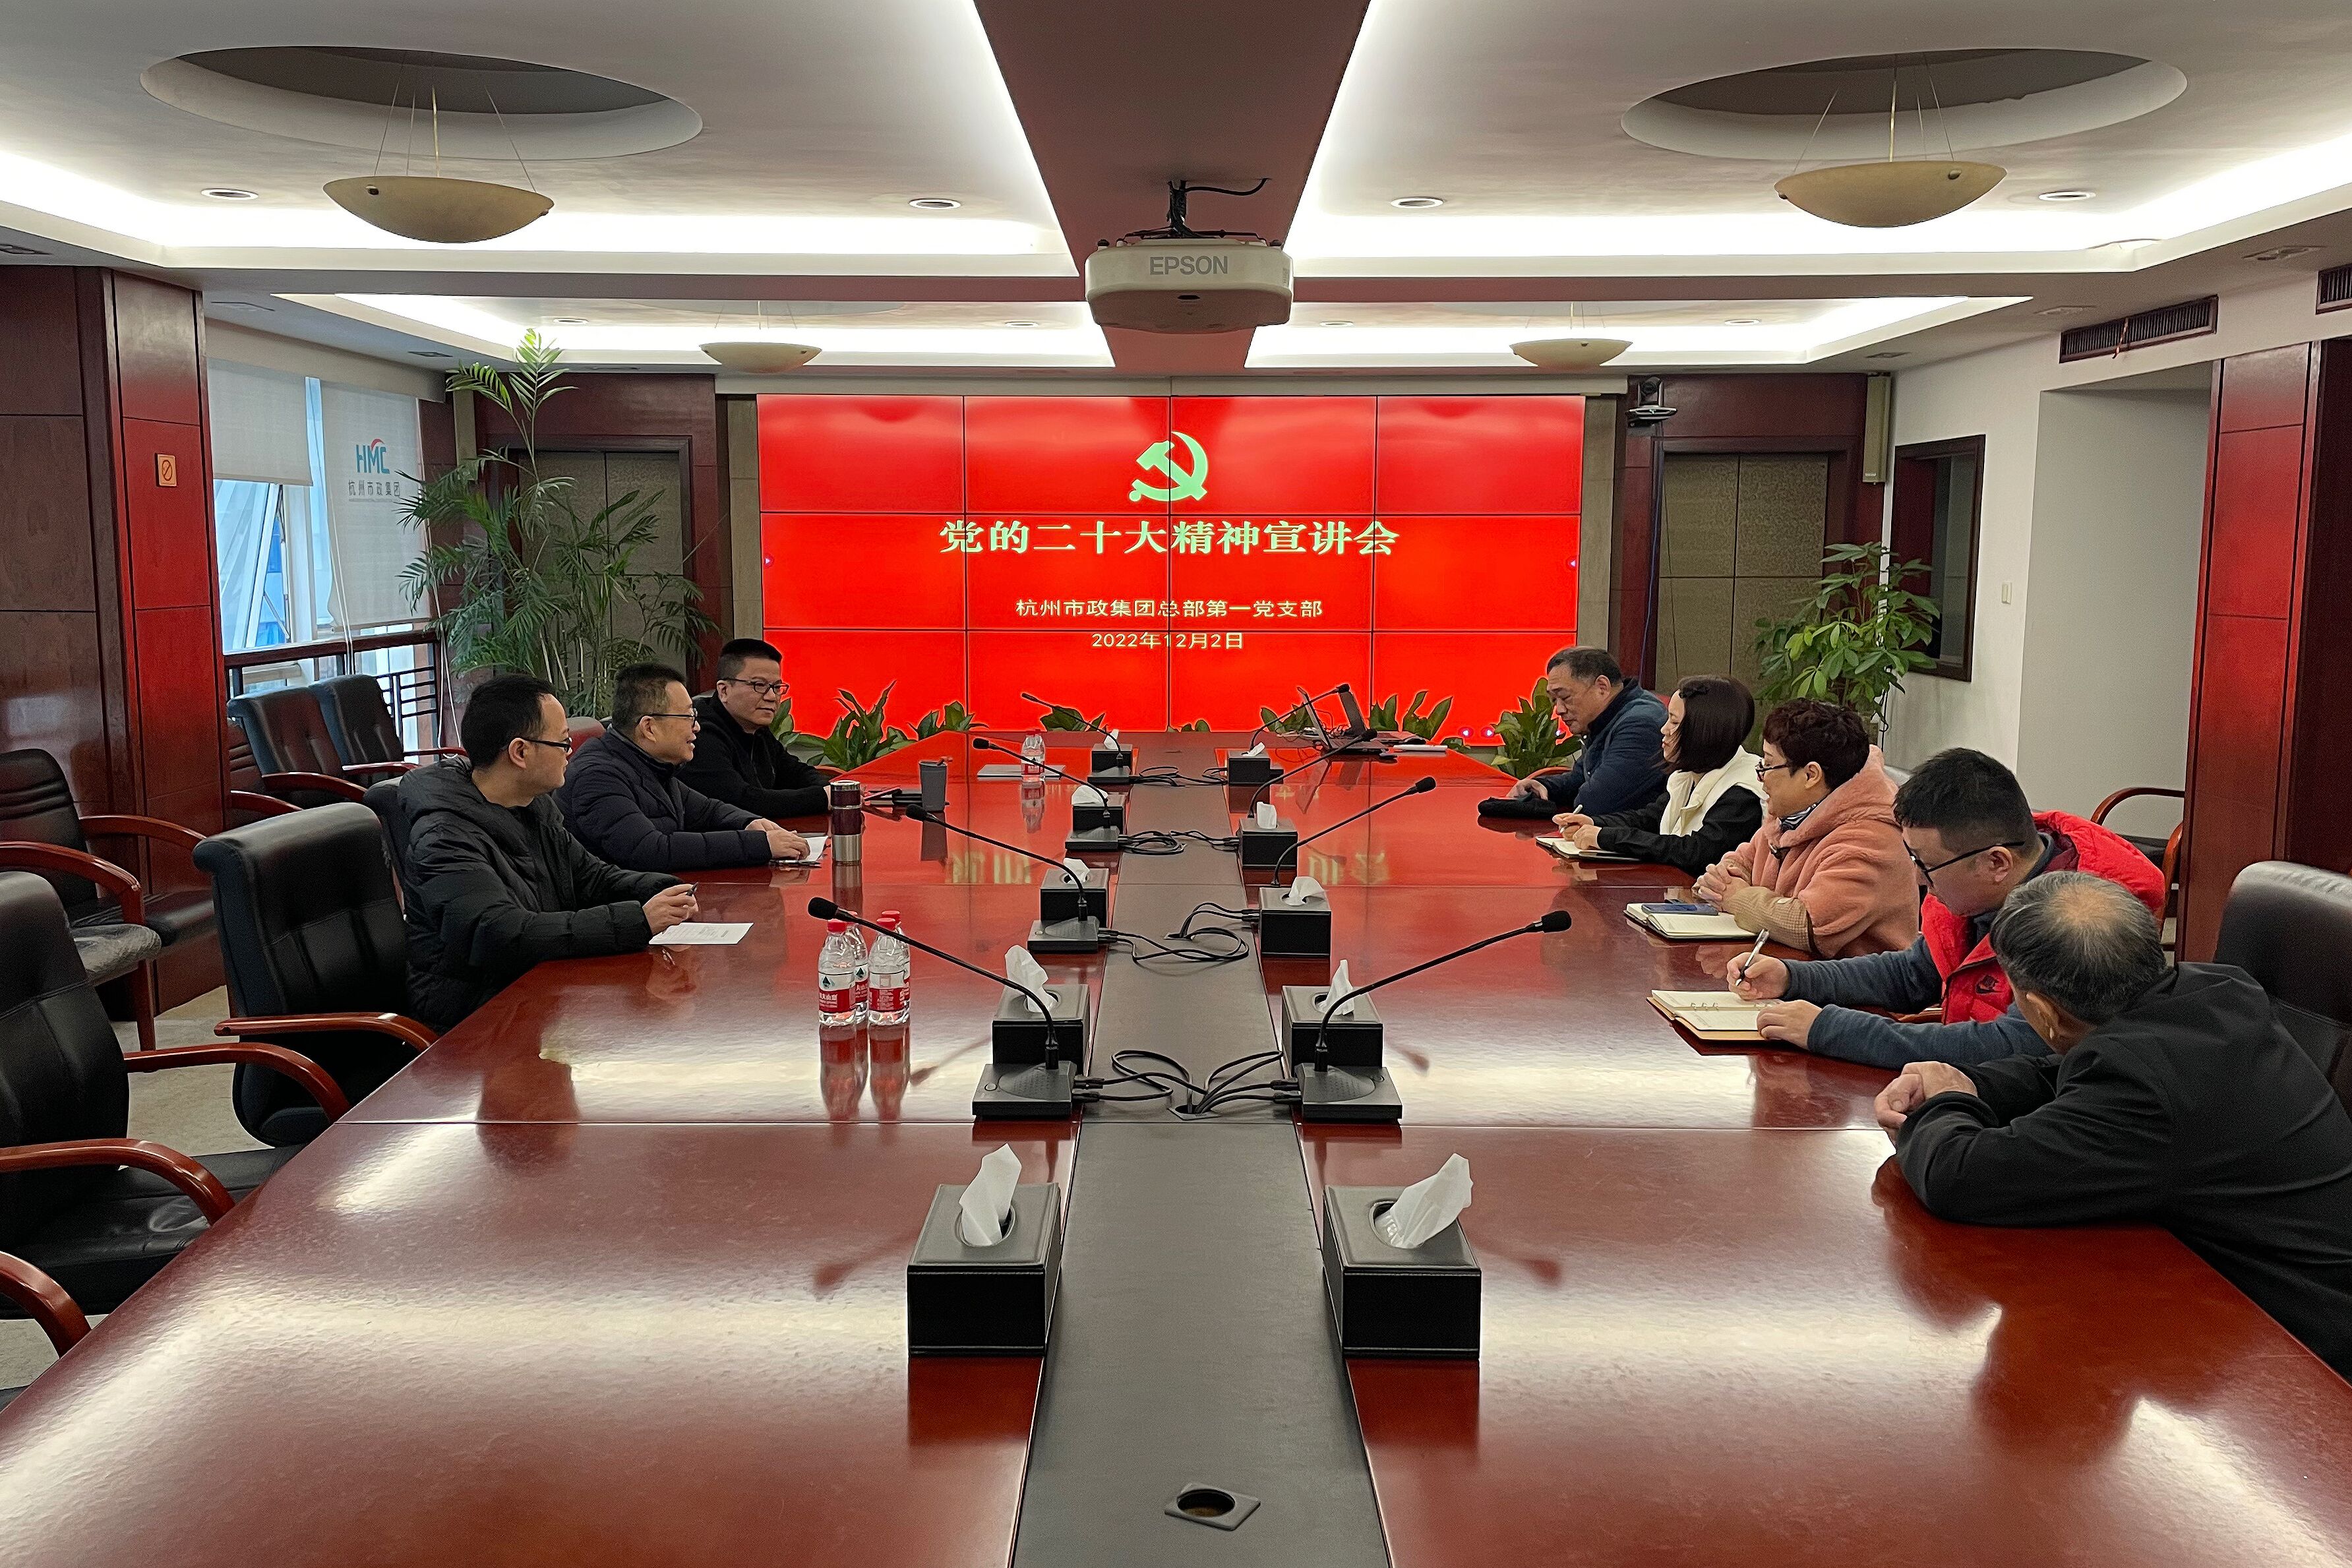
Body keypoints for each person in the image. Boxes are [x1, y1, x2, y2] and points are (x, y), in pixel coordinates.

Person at [1877, 872, 2352, 1382]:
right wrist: (1967, 1083)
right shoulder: (2215, 993)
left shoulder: (2142, 1091)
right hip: (2229, 1301)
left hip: (2302, 1358)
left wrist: (1942, 1104)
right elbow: (2069, 1073)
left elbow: (1959, 1178)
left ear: (2042, 1011)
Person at [1730, 748, 2167, 1067]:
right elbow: (1913, 973)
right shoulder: (1970, 891)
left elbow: (2012, 1047)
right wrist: (1794, 977)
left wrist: (1829, 1029)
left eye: (1925, 864)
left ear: (1996, 862)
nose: (1918, 878)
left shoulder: (2082, 917)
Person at [399, 673, 697, 1031]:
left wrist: (662, 888)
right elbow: (501, 935)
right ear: (520, 752)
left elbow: (590, 877)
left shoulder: (532, 805)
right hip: (476, 1020)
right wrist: (638, 920)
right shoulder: (443, 838)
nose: (571, 752)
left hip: (539, 993)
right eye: (562, 742)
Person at [1692, 700, 1914, 957]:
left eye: (1768, 765)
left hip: (1843, 982)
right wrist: (1723, 879)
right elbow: (1741, 862)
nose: (1760, 776)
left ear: (1811, 775)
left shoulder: (1872, 838)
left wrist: (1734, 897)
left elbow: (1808, 924)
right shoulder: (1791, 814)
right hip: (1781, 966)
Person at [560, 663, 810, 872]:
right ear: (649, 728)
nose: (697, 728)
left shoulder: (652, 765)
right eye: (688, 717)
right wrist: (759, 845)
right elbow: (650, 850)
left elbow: (708, 811)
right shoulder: (597, 776)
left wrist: (750, 823)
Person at [1551, 675, 1763, 876]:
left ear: (1703, 730)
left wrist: (1605, 837)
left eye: (1674, 722)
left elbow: (1695, 852)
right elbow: (1650, 818)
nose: (1664, 729)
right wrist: (1593, 823)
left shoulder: (1744, 788)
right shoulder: (1691, 774)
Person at [1495, 646, 1668, 817]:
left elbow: (1595, 803)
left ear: (1602, 687)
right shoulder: (1605, 717)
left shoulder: (1640, 725)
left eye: (1565, 697)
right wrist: (1542, 786)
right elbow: (1580, 779)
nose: (1559, 710)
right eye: (1554, 700)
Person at [678, 637, 831, 820]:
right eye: (759, 685)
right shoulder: (699, 733)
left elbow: (796, 772)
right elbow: (742, 801)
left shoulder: (756, 729)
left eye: (777, 687)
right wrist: (823, 798)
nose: (772, 697)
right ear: (724, 690)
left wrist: (833, 790)